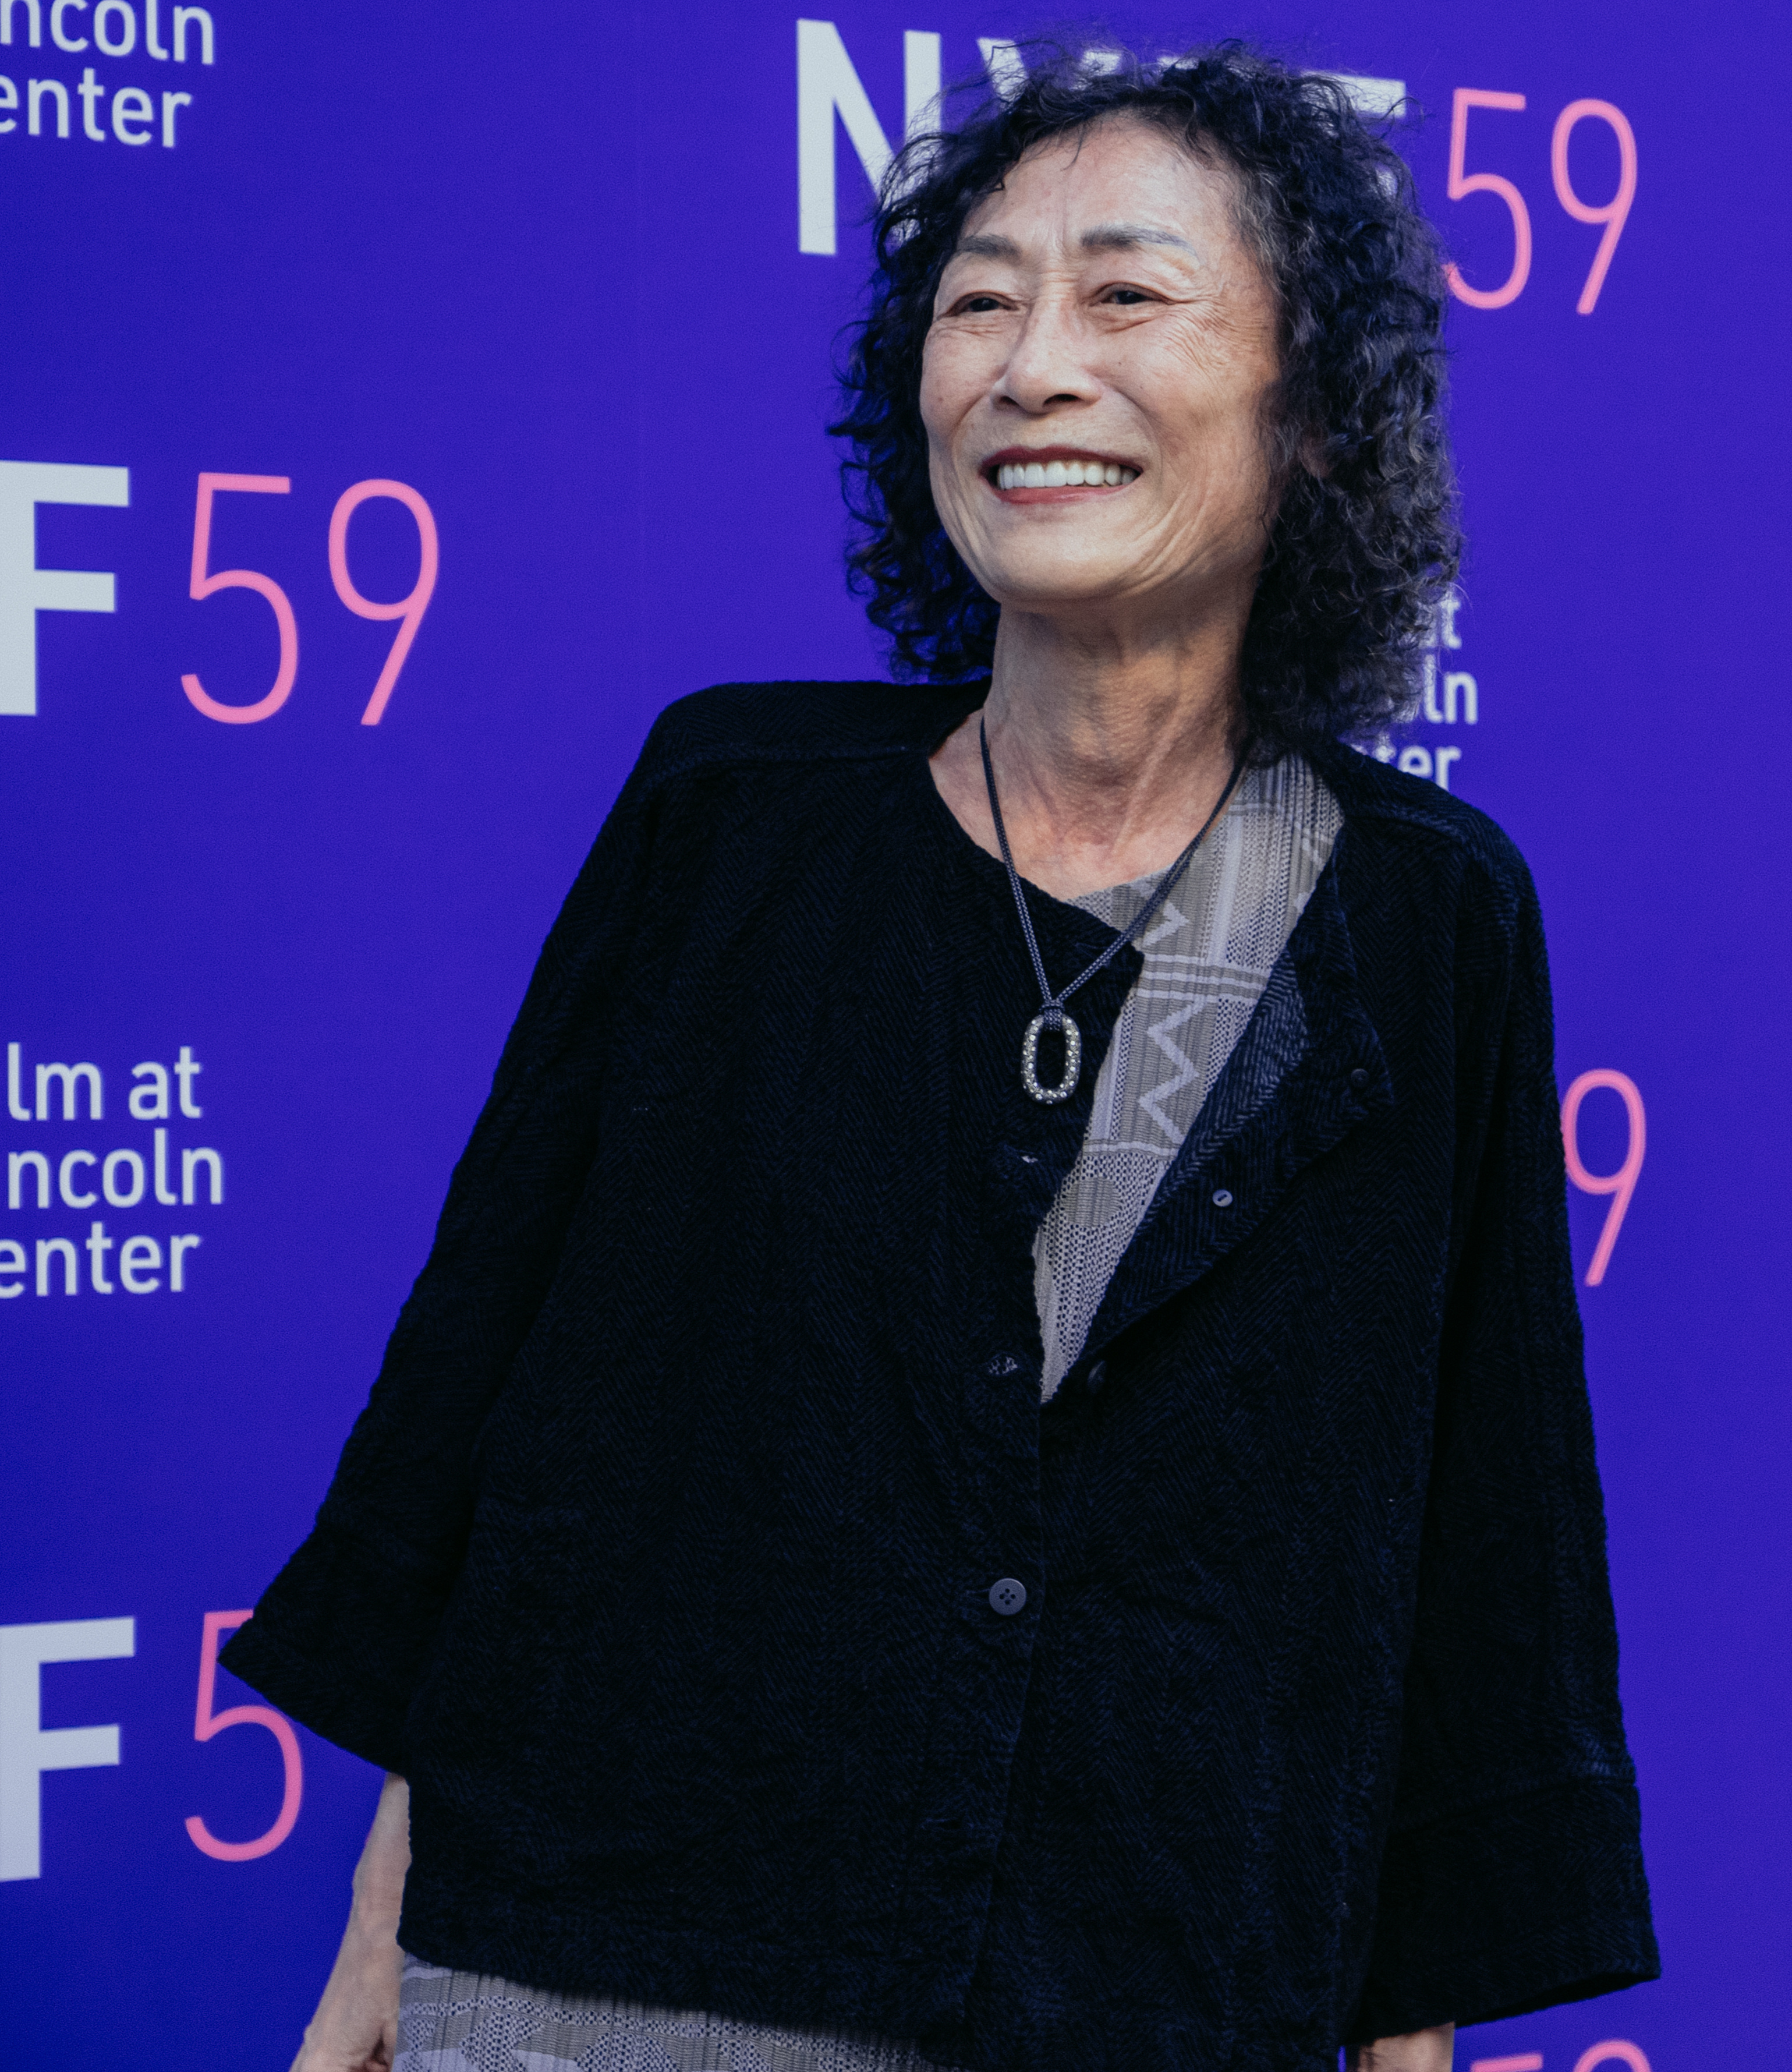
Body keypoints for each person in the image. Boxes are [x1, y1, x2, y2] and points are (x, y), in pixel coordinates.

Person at [226, 42, 1655, 2072]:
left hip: (1161, 1983)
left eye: (1126, 295)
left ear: (1316, 414)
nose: (1032, 366)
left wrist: (1408, 2039)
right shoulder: (729, 812)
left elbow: (1460, 1538)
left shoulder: (1426, 915)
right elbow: (505, 1401)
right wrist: (388, 1916)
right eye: (981, 302)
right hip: (624, 1969)